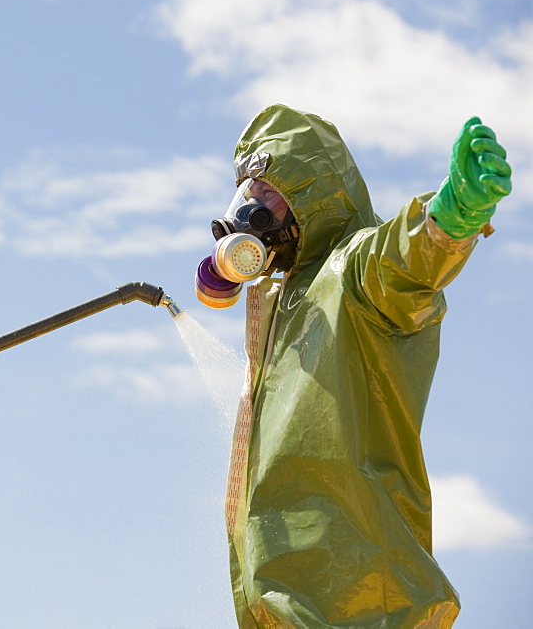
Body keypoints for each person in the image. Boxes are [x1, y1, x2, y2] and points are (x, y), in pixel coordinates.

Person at [193, 105, 511, 626]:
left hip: (361, 605)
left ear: (313, 193)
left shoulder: (351, 275)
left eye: (269, 192)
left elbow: (401, 261)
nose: (254, 210)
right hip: (284, 608)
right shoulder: (281, 307)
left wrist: (449, 218)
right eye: (248, 195)